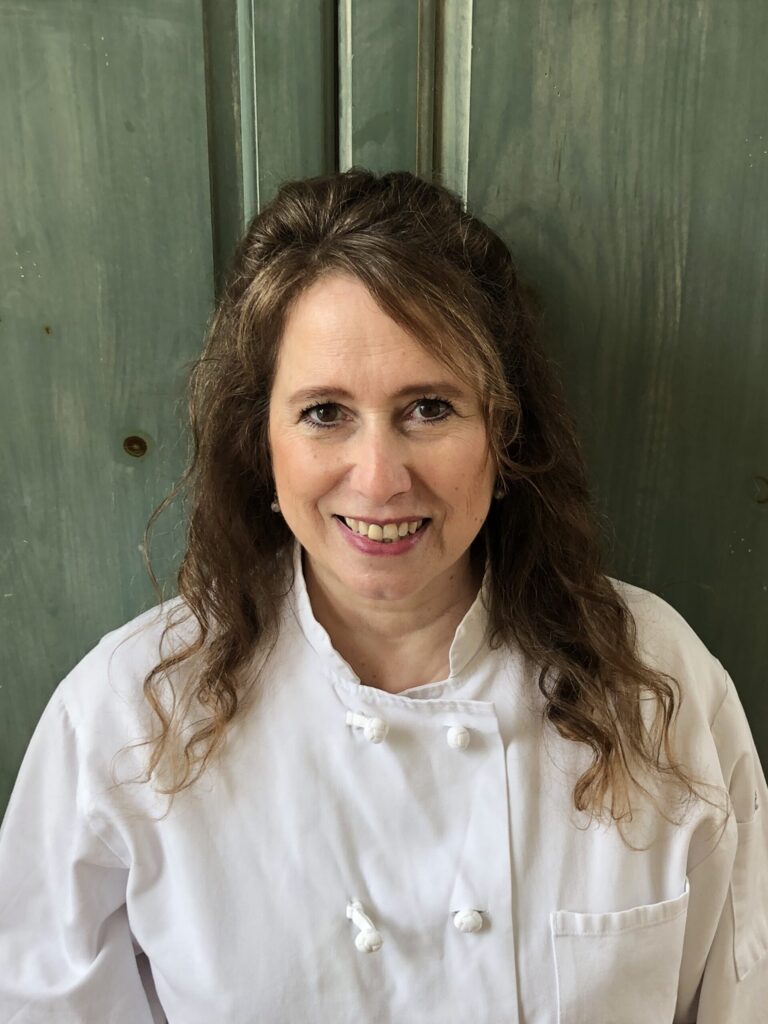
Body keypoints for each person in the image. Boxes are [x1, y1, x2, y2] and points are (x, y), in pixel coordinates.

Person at [0, 168, 766, 1024]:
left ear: (504, 431)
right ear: (263, 442)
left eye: (429, 408)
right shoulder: (125, 714)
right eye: (325, 412)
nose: (379, 478)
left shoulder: (657, 681)